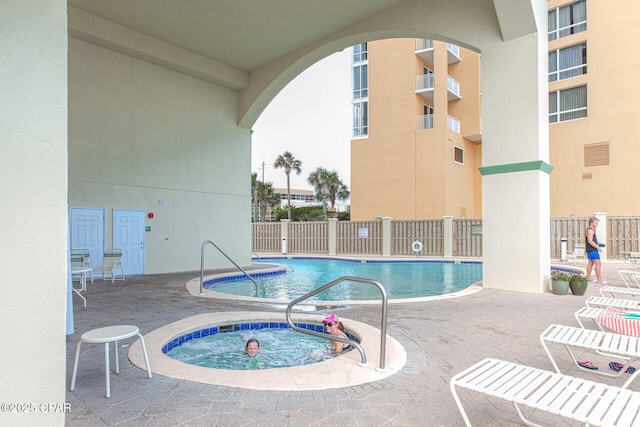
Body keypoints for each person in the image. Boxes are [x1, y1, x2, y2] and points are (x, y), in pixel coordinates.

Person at [585, 217, 606, 284]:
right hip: (592, 250)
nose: (597, 224)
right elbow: (590, 241)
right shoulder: (590, 231)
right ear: (591, 223)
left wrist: (597, 243)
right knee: (598, 263)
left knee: (591, 263)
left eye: (597, 223)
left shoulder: (589, 230)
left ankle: (588, 277)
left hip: (590, 249)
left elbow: (589, 241)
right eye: (596, 223)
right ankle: (599, 279)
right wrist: (597, 247)